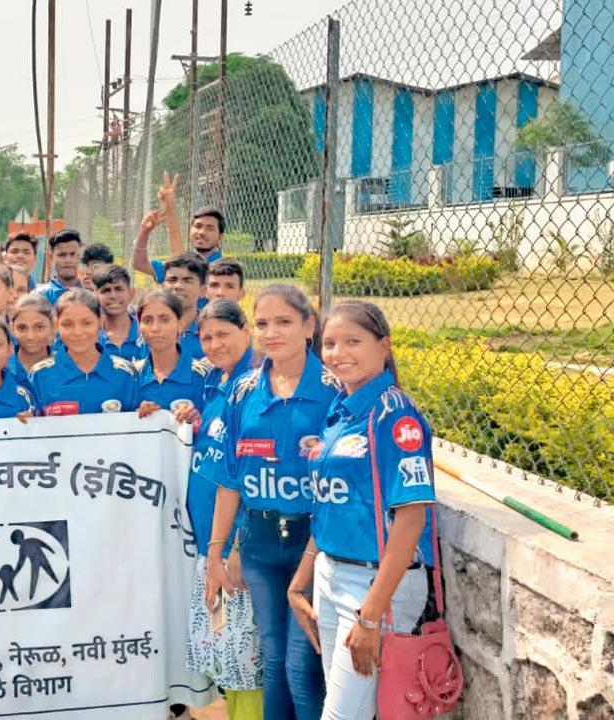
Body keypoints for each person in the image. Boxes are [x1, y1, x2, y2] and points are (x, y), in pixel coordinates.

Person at [288, 301, 437, 720]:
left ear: (383, 345)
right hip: (331, 575)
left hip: (374, 586)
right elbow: (332, 502)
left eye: (353, 341)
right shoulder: (340, 410)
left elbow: (410, 521)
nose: (338, 353)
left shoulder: (395, 414)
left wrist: (370, 618)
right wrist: (302, 579)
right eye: (330, 343)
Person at [201, 284, 338, 720]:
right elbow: (229, 482)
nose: (272, 333)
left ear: (309, 326)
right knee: (275, 662)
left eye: (284, 322)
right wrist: (219, 553)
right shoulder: (243, 391)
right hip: (259, 544)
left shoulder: (334, 390)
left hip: (312, 546)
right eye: (262, 324)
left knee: (302, 665)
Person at [186, 299, 263, 720]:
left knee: (244, 660)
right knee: (228, 661)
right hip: (211, 546)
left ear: (245, 331)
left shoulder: (253, 389)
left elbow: (248, 482)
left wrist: (233, 550)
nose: (215, 344)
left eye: (223, 334)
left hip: (237, 550)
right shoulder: (218, 385)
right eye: (207, 336)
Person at [28, 288, 138, 416]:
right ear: (57, 325)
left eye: (86, 323)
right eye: (67, 324)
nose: (77, 332)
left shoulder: (126, 374)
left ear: (101, 322)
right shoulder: (40, 375)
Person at [132, 290, 206, 423]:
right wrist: (135, 416)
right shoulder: (131, 376)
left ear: (180, 324)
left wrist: (196, 419)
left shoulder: (203, 375)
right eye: (147, 320)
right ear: (139, 326)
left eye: (164, 319)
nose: (155, 328)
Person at [93, 265, 143, 361]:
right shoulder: (91, 336)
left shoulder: (145, 333)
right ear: (96, 296)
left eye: (119, 289)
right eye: (106, 290)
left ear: (131, 293)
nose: (113, 296)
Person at [8, 293, 54, 388]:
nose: (30, 336)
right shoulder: (1, 368)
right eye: (22, 328)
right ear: (12, 328)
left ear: (53, 326)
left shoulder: (64, 368)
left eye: (39, 327)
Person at [35, 229, 84, 305]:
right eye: (62, 255)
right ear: (51, 258)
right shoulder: (39, 297)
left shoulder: (93, 297)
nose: (68, 260)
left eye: (73, 254)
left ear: (79, 256)